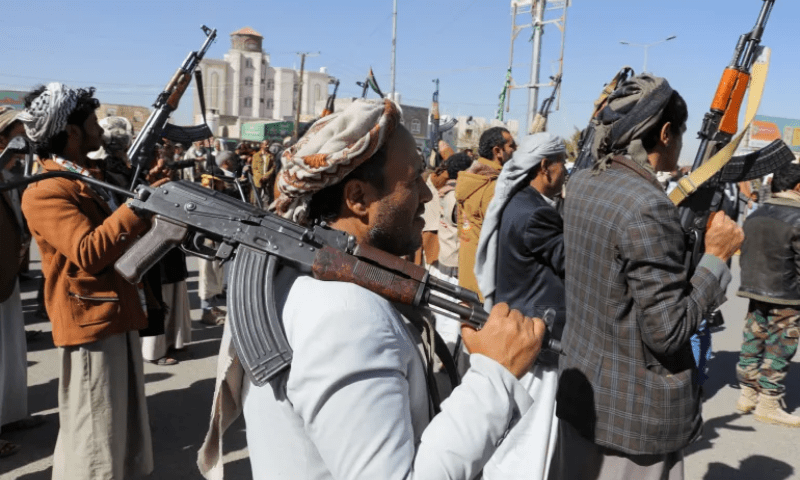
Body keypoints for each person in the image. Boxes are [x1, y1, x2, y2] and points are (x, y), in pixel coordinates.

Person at [198, 99, 547, 479]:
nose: (427, 196)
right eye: (414, 180)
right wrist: (494, 376)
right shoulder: (344, 315)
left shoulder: (305, 274)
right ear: (358, 199)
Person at [550, 75, 743, 479]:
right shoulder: (647, 206)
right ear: (666, 133)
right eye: (682, 133)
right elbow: (668, 331)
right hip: (633, 418)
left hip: (583, 396)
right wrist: (716, 257)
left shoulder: (582, 182)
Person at [18, 83, 154, 479]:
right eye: (92, 120)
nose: (99, 126)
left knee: (116, 432)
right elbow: (89, 251)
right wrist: (138, 208)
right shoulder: (46, 189)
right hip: (90, 323)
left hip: (113, 314)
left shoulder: (84, 176)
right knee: (94, 437)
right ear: (72, 132)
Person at [474, 133, 567, 480]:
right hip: (534, 341)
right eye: (563, 166)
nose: (565, 174)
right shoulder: (535, 214)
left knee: (516, 439)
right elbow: (571, 260)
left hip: (520, 330)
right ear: (546, 167)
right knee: (527, 445)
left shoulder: (523, 202)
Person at [734, 162, 800, 427]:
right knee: (779, 349)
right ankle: (769, 404)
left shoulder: (757, 213)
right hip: (787, 295)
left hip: (754, 289)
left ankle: (747, 395)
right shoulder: (798, 217)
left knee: (752, 343)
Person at [455, 126, 516, 299]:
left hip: (468, 273)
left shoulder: (470, 179)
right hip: (487, 283)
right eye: (512, 146)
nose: (515, 151)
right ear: (498, 151)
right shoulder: (494, 186)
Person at [251, 139, 276, 205]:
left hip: (268, 180)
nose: (267, 146)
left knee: (269, 198)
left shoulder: (271, 156)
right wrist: (260, 177)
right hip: (258, 180)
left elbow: (273, 167)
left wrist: (267, 175)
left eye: (268, 144)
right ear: (261, 145)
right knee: (256, 199)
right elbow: (254, 169)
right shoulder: (256, 156)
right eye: (266, 144)